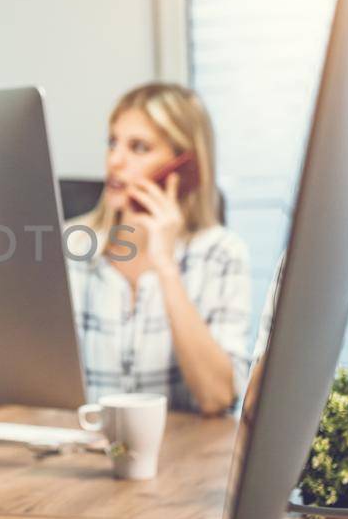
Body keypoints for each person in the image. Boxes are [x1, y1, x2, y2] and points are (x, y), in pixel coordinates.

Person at [65, 82, 251, 415]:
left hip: (182, 456)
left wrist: (165, 265)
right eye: (113, 143)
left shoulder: (220, 253)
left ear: (183, 166)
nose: (115, 161)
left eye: (139, 147)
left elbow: (217, 397)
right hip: (83, 450)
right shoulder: (71, 244)